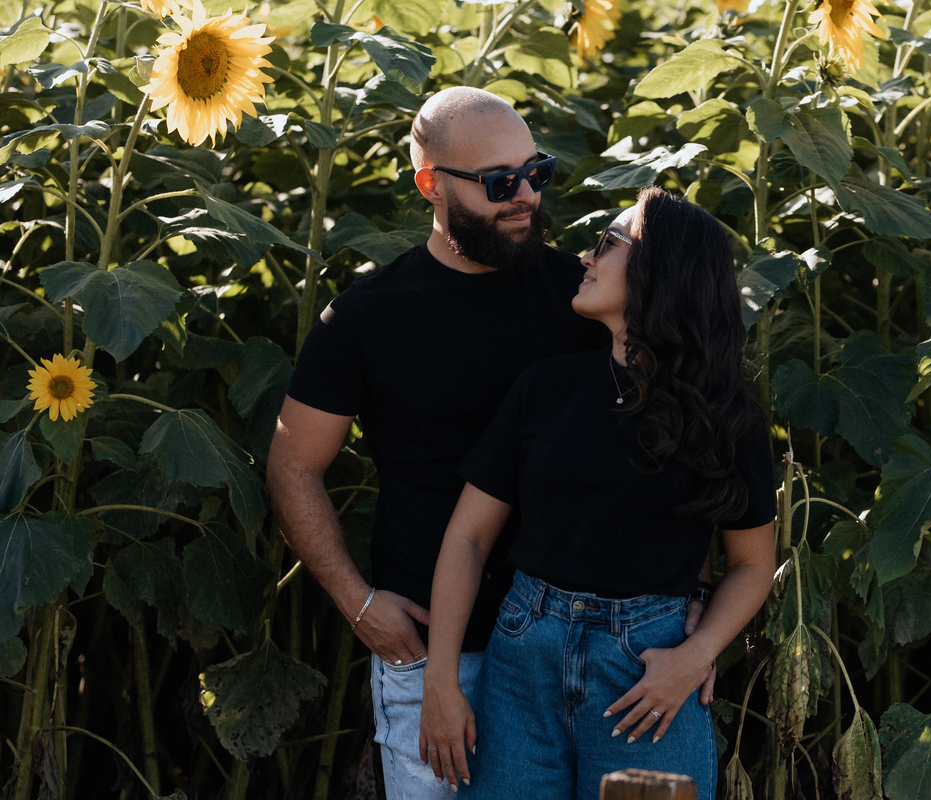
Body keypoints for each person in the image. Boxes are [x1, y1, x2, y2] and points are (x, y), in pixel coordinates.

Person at [266, 88, 711, 800]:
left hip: (599, 643)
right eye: (500, 184)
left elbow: (679, 433)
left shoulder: (585, 294)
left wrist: (689, 611)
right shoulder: (364, 319)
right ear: (431, 187)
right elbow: (293, 464)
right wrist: (358, 603)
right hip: (436, 647)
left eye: (537, 172)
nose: (527, 196)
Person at [420, 187, 778, 800]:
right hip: (520, 664)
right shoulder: (547, 388)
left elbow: (752, 565)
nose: (586, 258)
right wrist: (441, 683)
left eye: (609, 244)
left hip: (646, 674)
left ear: (659, 272)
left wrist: (696, 654)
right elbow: (468, 539)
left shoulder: (725, 414)